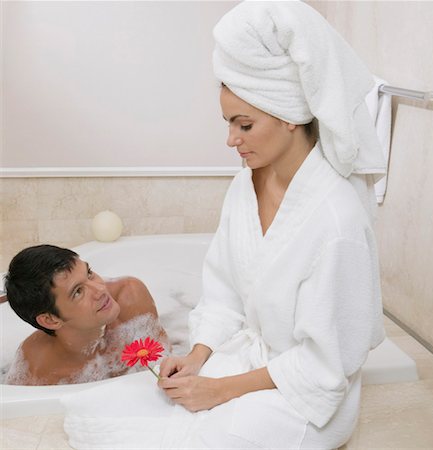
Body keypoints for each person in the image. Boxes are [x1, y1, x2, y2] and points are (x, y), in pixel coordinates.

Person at [62, 2, 386, 449]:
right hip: (253, 360)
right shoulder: (245, 186)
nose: (230, 139)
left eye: (244, 124)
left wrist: (219, 390)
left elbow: (326, 366)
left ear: (289, 114)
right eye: (228, 123)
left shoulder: (336, 220)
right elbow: (224, 290)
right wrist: (198, 356)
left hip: (305, 396)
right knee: (107, 416)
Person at [4, 244, 168, 385]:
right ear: (50, 320)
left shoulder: (129, 295)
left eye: (89, 273)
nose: (100, 289)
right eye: (78, 292)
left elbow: (163, 364)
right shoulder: (36, 372)